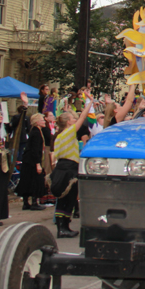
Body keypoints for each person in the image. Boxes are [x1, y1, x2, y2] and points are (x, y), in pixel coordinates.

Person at [50, 94, 94, 238]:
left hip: (60, 167)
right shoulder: (68, 133)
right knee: (69, 198)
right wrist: (90, 103)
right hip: (69, 168)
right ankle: (64, 228)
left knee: (62, 199)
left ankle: (61, 227)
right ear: (68, 123)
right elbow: (82, 119)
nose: (75, 121)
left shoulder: (59, 136)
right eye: (72, 119)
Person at [17, 113, 48, 211]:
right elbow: (35, 149)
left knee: (27, 180)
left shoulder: (35, 131)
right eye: (42, 120)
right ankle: (34, 202)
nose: (44, 121)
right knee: (35, 180)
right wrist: (38, 164)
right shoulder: (36, 133)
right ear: (37, 122)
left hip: (28, 160)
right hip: (32, 161)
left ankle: (26, 202)